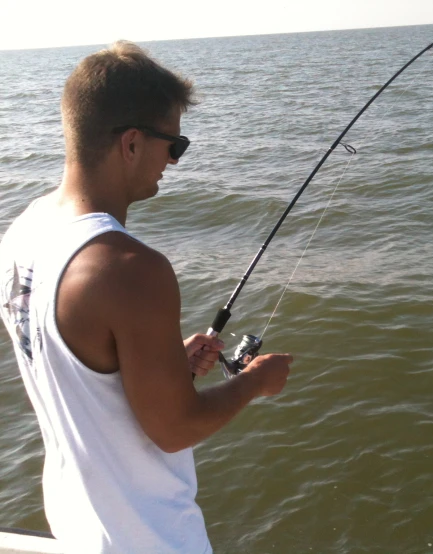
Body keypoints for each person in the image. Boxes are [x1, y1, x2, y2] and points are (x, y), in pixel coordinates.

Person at [0, 41, 293, 553]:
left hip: (77, 521)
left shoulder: (23, 232)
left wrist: (163, 362)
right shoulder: (131, 269)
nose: (174, 162)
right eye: (174, 146)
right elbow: (174, 428)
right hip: (148, 537)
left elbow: (80, 367)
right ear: (132, 143)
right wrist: (253, 382)